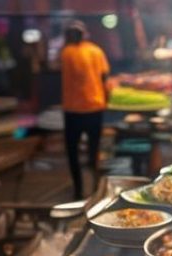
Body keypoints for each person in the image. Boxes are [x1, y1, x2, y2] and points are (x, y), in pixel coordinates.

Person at [60, 20, 109, 200]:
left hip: (73, 110)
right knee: (93, 151)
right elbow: (104, 76)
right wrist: (106, 97)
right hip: (95, 107)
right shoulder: (96, 51)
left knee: (73, 152)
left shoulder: (66, 52)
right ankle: (95, 190)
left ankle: (78, 190)